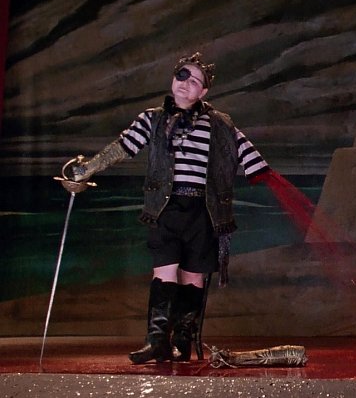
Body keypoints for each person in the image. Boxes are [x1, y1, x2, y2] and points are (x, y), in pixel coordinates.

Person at [70, 52, 270, 364]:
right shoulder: (152, 119)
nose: (185, 84)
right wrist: (88, 168)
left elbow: (243, 149)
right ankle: (156, 340)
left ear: (204, 91)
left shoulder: (219, 123)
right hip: (165, 207)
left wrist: (265, 175)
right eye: (181, 76)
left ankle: (182, 342)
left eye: (194, 81)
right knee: (164, 272)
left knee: (193, 276)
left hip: (203, 211)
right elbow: (123, 146)